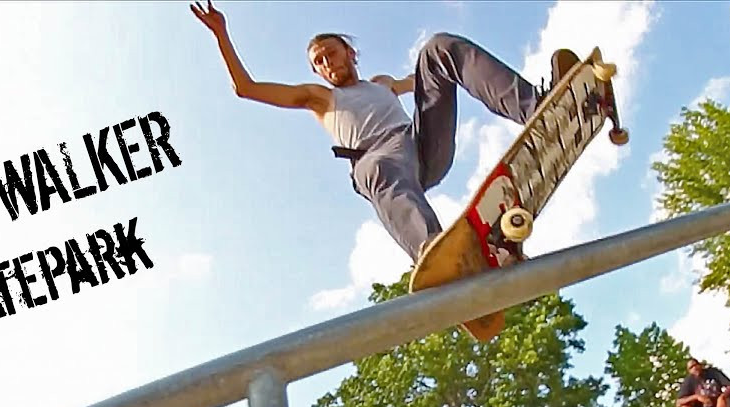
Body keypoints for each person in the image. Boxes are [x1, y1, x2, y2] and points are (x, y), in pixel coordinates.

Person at [190, 0, 562, 266]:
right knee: (374, 168)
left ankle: (539, 107)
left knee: (438, 48)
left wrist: (449, 71)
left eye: (331, 53)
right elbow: (246, 87)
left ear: (350, 52)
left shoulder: (383, 83)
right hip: (381, 163)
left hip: (421, 145)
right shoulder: (319, 97)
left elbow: (429, 79)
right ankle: (436, 251)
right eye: (318, 62)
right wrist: (222, 35)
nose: (326, 64)